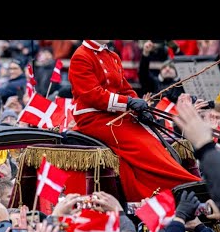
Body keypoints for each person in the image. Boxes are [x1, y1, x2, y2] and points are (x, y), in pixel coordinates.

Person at [68, 40, 200, 201]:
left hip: (115, 114)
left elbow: (124, 88)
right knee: (141, 144)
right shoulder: (81, 56)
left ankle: (178, 183)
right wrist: (127, 103)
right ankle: (183, 184)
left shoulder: (112, 56)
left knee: (151, 139)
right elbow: (93, 95)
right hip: (94, 117)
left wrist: (140, 108)